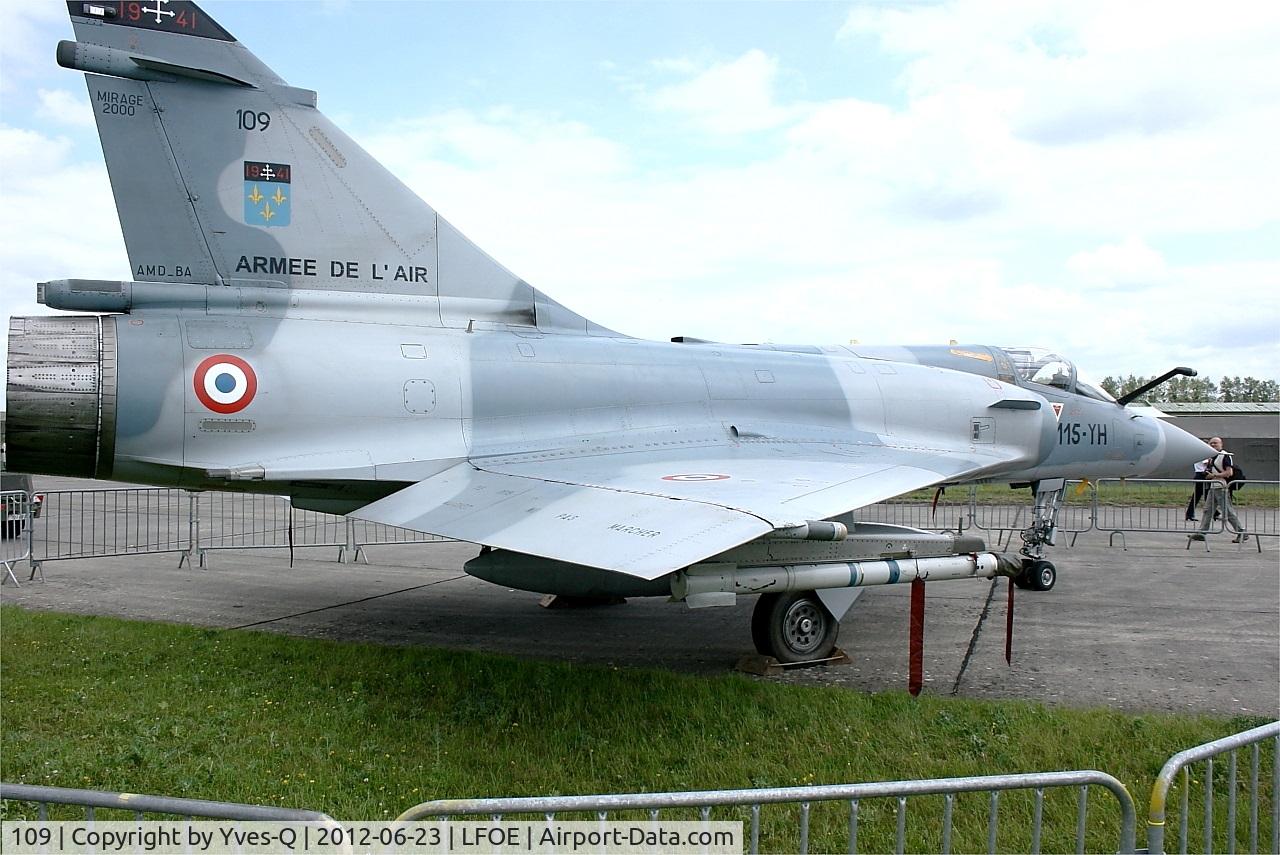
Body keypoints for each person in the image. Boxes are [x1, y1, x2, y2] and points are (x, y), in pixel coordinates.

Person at [1189, 438, 1248, 542]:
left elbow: (1229, 473)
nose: (1213, 445)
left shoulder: (1225, 456)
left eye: (1215, 443)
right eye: (1211, 443)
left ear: (1221, 444)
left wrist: (1214, 475)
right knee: (1208, 510)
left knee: (1228, 511)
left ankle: (1241, 532)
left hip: (1221, 487)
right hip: (1214, 486)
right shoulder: (1212, 457)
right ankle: (1202, 532)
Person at [1185, 451, 1209, 521]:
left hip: (1201, 474)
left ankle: (1189, 514)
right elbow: (1206, 463)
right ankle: (1189, 514)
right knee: (1199, 495)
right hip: (1202, 475)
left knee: (1203, 495)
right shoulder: (1203, 453)